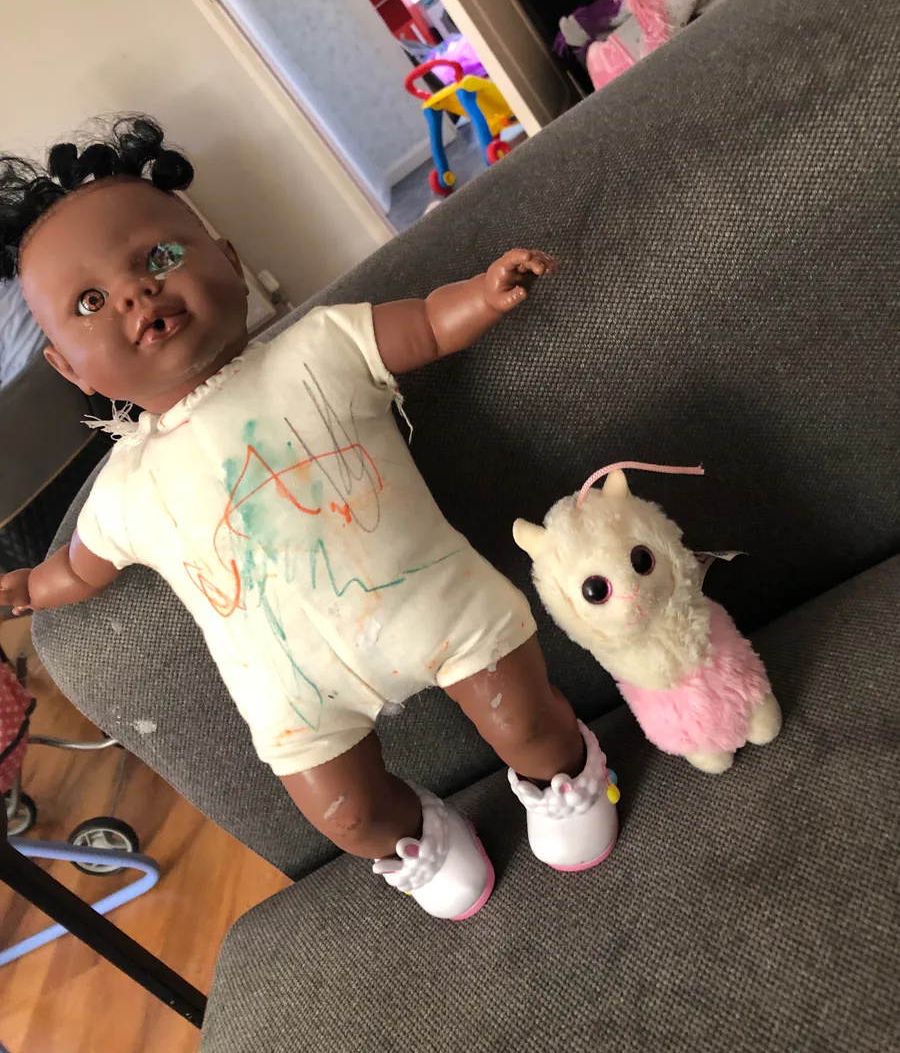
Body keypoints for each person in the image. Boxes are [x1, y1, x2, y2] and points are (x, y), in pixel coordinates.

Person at [0, 116, 618, 920]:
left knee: (525, 719)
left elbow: (426, 325)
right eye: (90, 302)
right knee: (346, 814)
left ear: (227, 260)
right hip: (293, 695)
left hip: (436, 607)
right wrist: (26, 587)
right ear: (67, 366)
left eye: (157, 258)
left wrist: (481, 296)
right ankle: (414, 841)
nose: (135, 294)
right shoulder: (122, 490)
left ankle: (562, 776)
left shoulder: (319, 347)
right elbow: (78, 569)